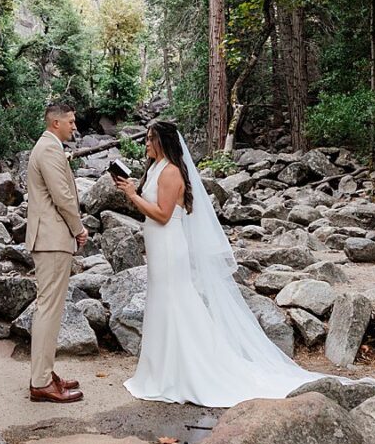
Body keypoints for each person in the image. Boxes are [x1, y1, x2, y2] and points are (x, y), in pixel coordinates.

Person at [113, 120, 318, 407]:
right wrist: (132, 190)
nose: (145, 144)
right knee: (161, 304)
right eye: (146, 138)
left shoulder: (171, 171)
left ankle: (184, 372)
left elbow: (161, 214)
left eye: (150, 139)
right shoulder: (155, 168)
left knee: (175, 304)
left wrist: (133, 195)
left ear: (164, 142)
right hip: (158, 247)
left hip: (170, 248)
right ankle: (160, 370)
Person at [23, 102, 88, 403]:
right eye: (71, 122)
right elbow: (62, 196)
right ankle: (41, 382)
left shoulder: (50, 146)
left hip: (50, 237)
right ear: (55, 123)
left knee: (50, 307)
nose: (74, 126)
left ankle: (45, 374)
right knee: (48, 308)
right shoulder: (49, 149)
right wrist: (78, 228)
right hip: (52, 237)